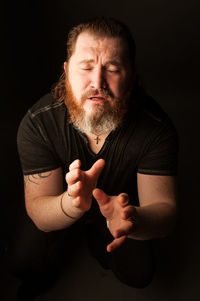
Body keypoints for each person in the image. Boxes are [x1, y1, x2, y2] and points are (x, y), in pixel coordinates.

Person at [9, 17, 178, 299]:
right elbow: (39, 208)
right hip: (59, 202)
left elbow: (165, 210)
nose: (97, 82)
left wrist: (132, 218)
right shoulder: (38, 123)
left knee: (139, 275)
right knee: (21, 263)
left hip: (118, 206)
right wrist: (73, 203)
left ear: (132, 77)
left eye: (112, 69)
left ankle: (96, 240)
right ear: (66, 71)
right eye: (86, 67)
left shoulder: (156, 128)